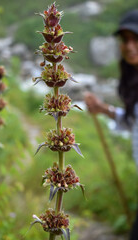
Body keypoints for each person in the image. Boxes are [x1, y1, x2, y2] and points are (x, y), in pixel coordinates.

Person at [84, 9, 138, 240]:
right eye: (124, 39)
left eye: (136, 39)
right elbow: (133, 122)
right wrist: (103, 108)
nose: (129, 45)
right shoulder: (132, 79)